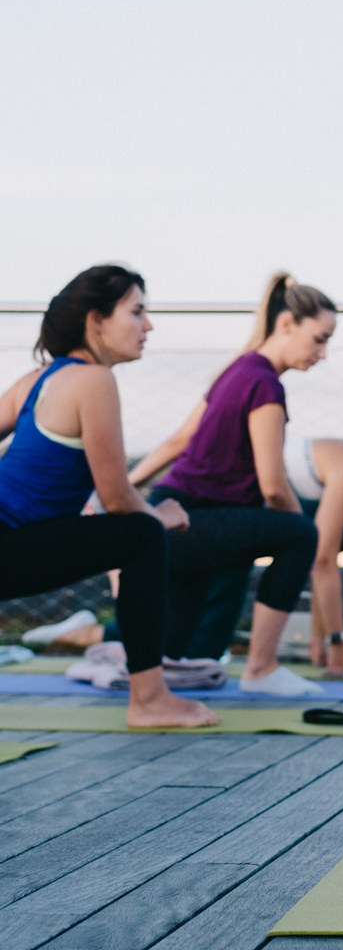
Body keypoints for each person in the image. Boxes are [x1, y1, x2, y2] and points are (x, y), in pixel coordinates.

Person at [0, 265, 217, 729]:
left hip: (13, 541)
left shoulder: (35, 381)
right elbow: (118, 498)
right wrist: (162, 517)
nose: (148, 326)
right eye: (137, 312)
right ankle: (150, 698)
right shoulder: (92, 380)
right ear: (96, 319)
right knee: (139, 534)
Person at [127, 272, 337, 696]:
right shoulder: (264, 384)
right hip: (193, 521)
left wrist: (124, 489)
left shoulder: (236, 370)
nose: (323, 352)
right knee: (298, 533)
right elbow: (274, 486)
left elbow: (178, 441)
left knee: (173, 650)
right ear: (286, 324)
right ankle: (261, 667)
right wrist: (304, 540)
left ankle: (113, 654)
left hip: (175, 515)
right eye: (319, 338)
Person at [185, 421, 343, 673]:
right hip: (228, 512)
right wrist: (338, 644)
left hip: (249, 514)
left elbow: (322, 551)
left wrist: (320, 639)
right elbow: (323, 559)